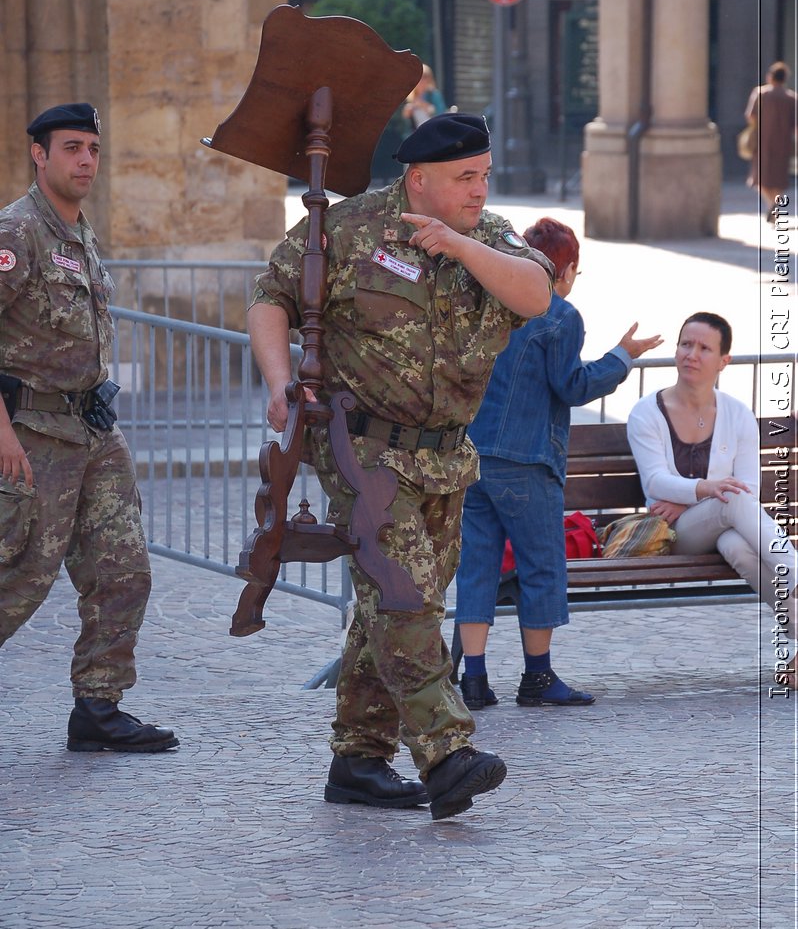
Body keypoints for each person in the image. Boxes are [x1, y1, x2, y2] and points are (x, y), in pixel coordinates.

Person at [247, 112, 553, 819]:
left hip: (447, 458)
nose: (479, 189)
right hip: (364, 450)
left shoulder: (489, 236)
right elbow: (272, 295)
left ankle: (358, 760)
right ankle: (447, 754)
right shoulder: (349, 229)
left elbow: (536, 295)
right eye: (463, 178)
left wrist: (460, 245)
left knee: (391, 608)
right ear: (418, 179)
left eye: (483, 175)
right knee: (403, 596)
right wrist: (275, 381)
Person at [0, 104, 178, 753]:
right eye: (71, 147)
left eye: (94, 149)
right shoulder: (17, 233)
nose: (85, 161)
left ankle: (99, 708)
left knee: (123, 571)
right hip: (31, 433)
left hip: (92, 430)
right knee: (18, 579)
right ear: (39, 156)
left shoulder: (77, 233)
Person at [454, 218, 662, 710]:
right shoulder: (559, 313)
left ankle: (475, 681)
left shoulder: (491, 302)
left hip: (474, 457)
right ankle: (538, 678)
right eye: (575, 270)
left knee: (477, 568)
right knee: (542, 567)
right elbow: (571, 386)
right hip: (527, 460)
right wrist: (621, 356)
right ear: (563, 269)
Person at [627, 311, 797, 684]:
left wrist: (689, 494)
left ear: (724, 361)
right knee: (729, 500)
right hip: (674, 535)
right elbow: (656, 482)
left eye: (704, 348)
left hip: (722, 527)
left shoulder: (738, 414)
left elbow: (748, 487)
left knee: (738, 547)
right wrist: (705, 490)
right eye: (686, 344)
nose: (692, 354)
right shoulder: (646, 413)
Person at [744, 61, 797, 221]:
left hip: (763, 142)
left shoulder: (760, 94)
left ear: (770, 76)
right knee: (779, 179)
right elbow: (795, 125)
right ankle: (775, 206)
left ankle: (772, 205)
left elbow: (750, 116)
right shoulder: (791, 98)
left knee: (760, 178)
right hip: (783, 143)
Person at [402, 64, 447, 133]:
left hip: (433, 132)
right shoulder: (410, 97)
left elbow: (441, 114)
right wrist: (407, 113)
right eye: (419, 77)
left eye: (425, 77)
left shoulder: (434, 95)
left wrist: (424, 106)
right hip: (416, 135)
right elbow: (406, 125)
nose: (422, 80)